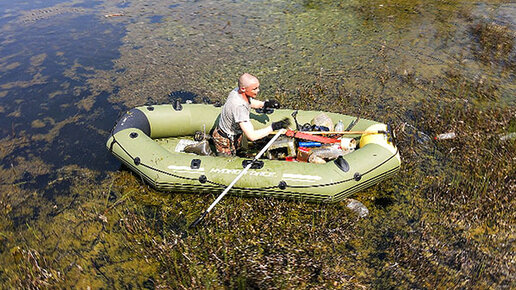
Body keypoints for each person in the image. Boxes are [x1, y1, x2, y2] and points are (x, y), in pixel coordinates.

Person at [212, 73, 290, 156]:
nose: (258, 90)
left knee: (241, 150)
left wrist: (265, 104)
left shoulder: (236, 91)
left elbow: (249, 102)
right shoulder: (240, 108)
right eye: (254, 89)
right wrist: (274, 127)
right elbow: (252, 136)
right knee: (228, 161)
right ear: (243, 89)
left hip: (236, 134)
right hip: (225, 140)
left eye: (258, 87)